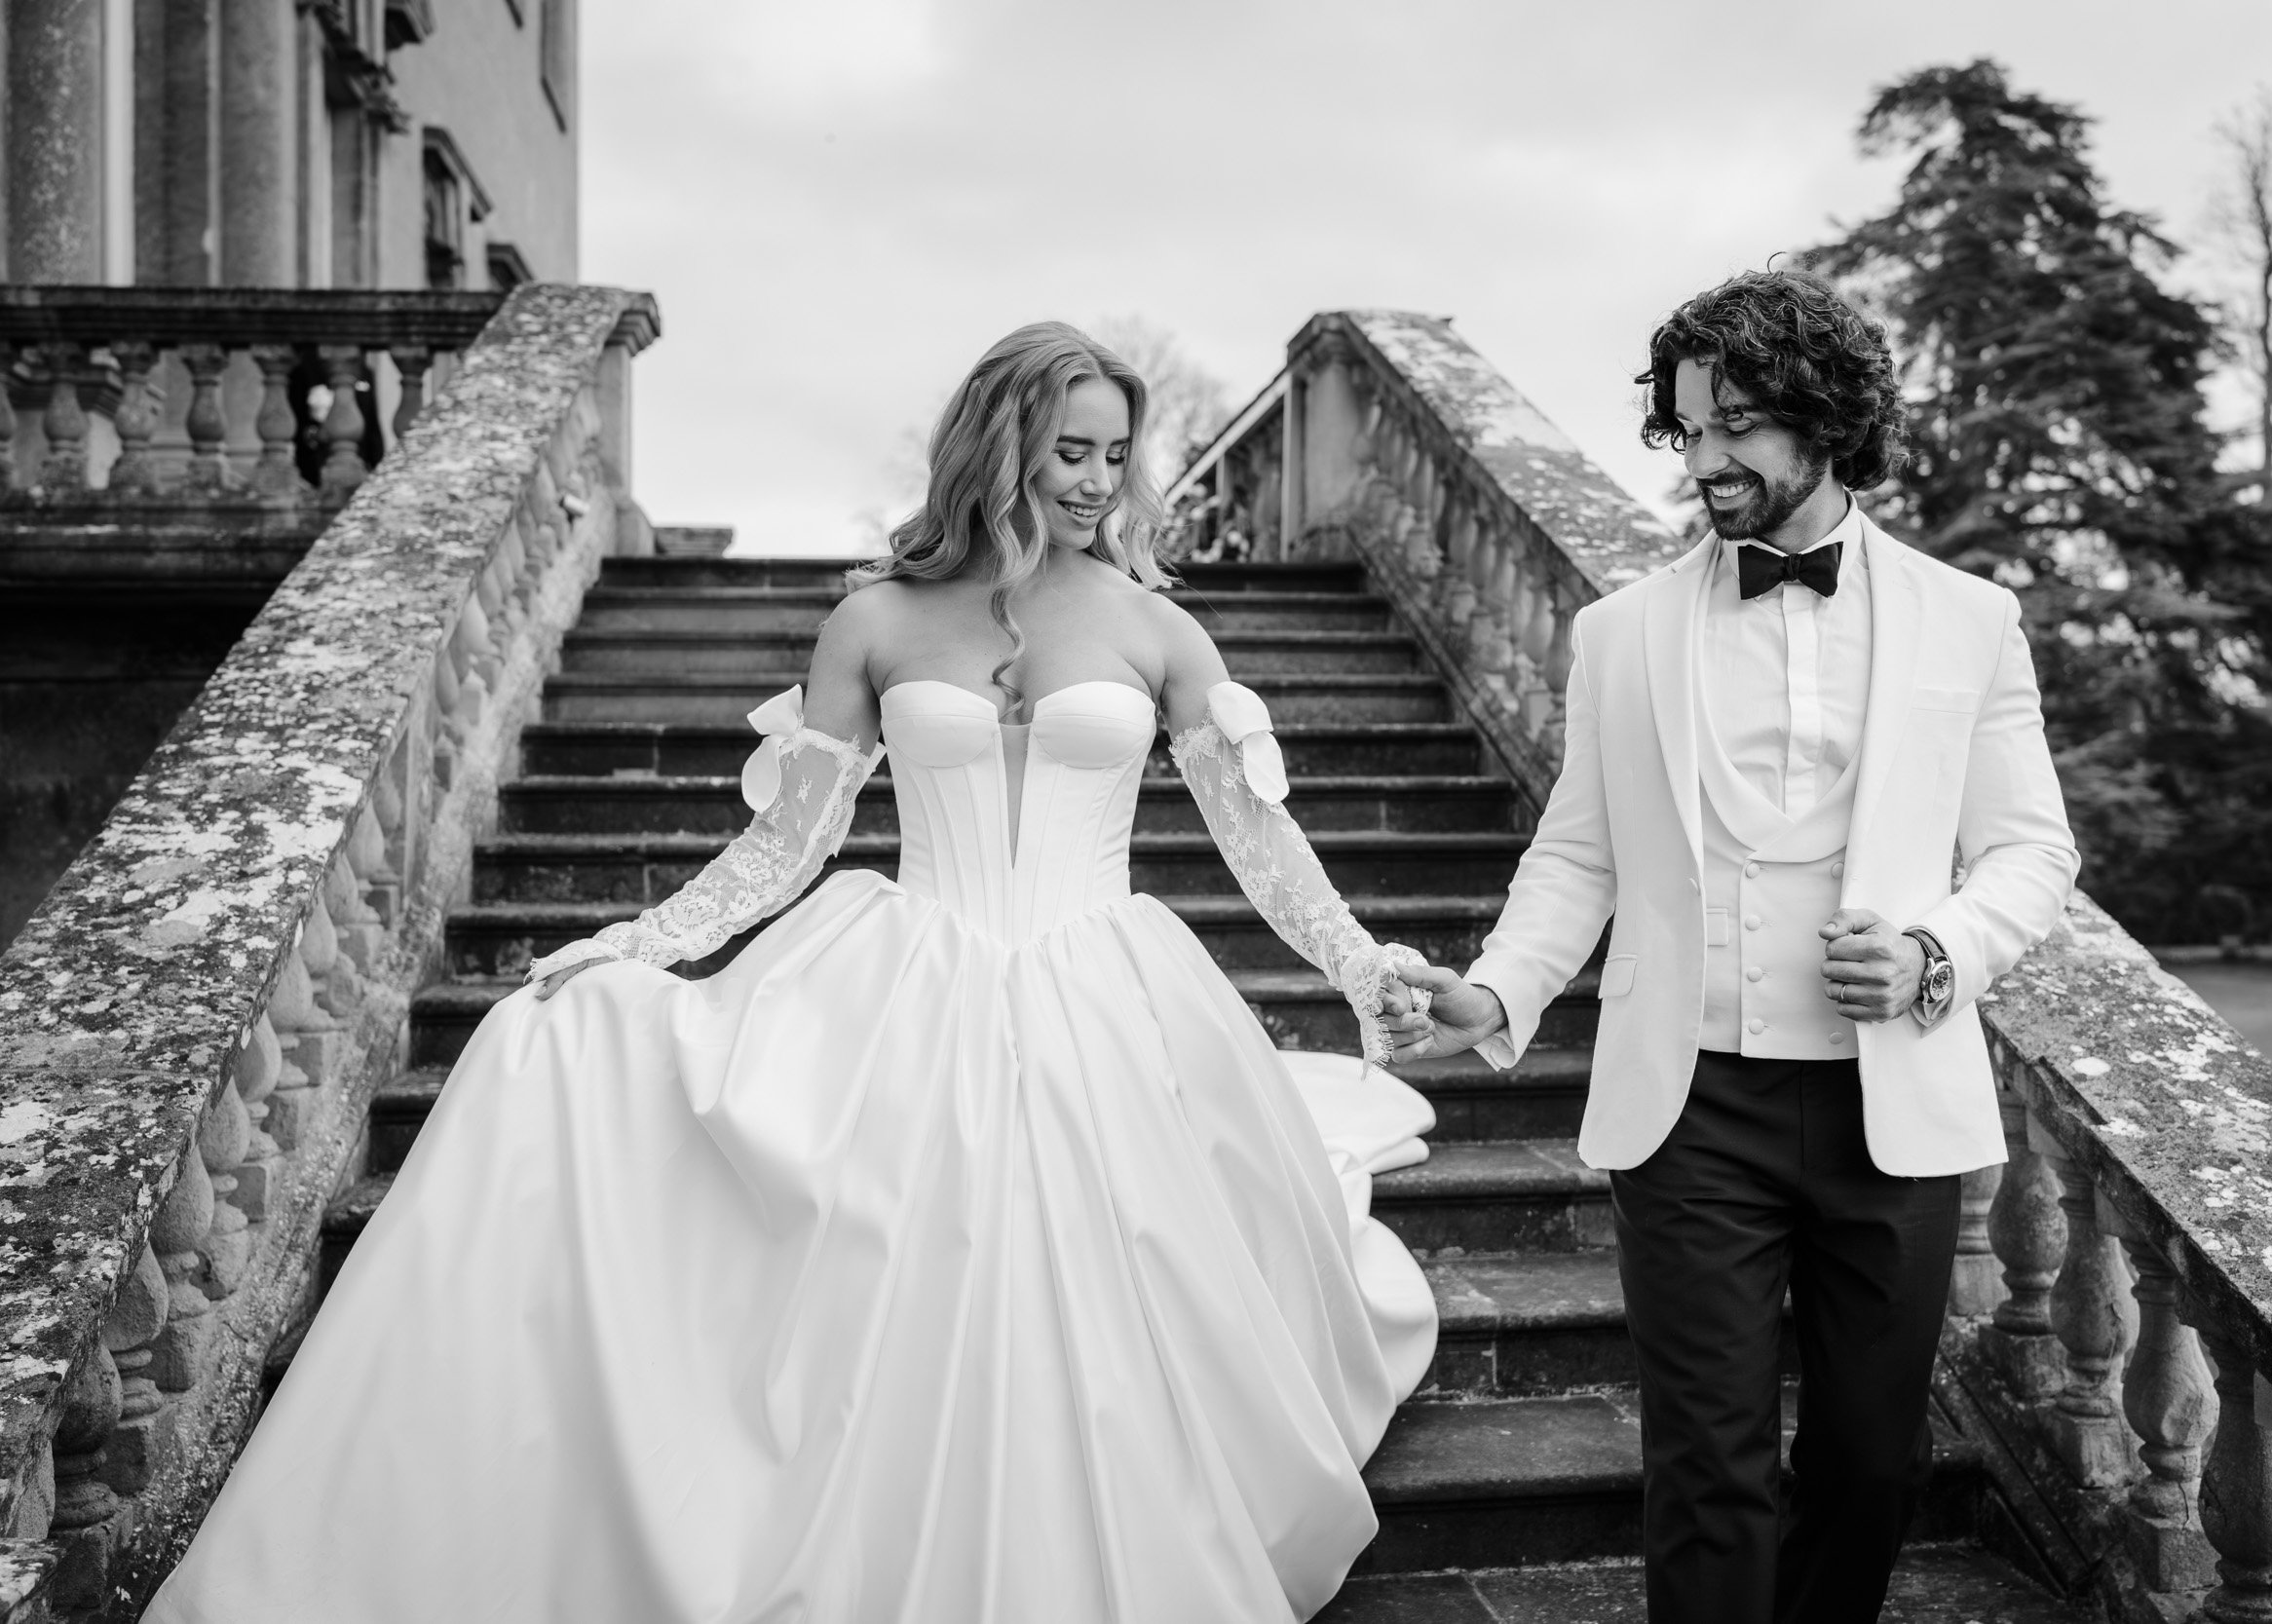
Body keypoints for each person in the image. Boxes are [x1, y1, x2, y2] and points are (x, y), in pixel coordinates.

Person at [146, 322, 1440, 1624]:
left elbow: (1258, 838)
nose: (1097, 482)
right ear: (1000, 447)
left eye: (1114, 454)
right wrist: (636, 945)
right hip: (915, 980)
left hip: (1102, 988)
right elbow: (789, 841)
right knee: (793, 1202)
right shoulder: (875, 620)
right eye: (1068, 452)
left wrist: (1358, 959)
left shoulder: (1157, 629)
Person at [1388, 269, 2080, 1624]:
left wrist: (1934, 952)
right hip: (1691, 1103)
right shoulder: (1621, 633)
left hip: (1889, 1107)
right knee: (1707, 1468)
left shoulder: (1968, 619)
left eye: (1738, 427)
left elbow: (2031, 853)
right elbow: (1579, 854)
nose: (1703, 459)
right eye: (1688, 429)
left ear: (1827, 419)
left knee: (1870, 1467)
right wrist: (1494, 989)